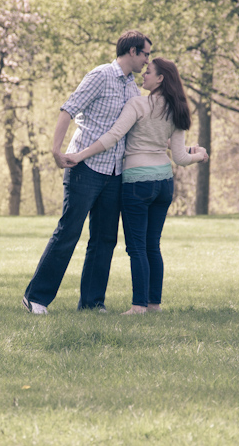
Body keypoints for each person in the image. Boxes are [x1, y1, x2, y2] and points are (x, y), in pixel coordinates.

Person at [62, 58, 208, 314]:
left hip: (137, 183)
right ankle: (154, 304)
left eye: (149, 73)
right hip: (163, 183)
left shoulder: (138, 104)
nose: (144, 76)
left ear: (160, 79)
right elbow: (181, 158)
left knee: (137, 246)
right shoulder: (177, 109)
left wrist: (80, 155)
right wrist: (200, 155)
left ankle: (138, 305)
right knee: (153, 245)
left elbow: (112, 136)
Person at [22, 30, 152, 315]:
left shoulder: (133, 89)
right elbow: (68, 110)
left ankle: (92, 303)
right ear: (132, 51)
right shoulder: (100, 75)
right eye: (145, 54)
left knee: (105, 238)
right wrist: (56, 151)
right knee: (69, 231)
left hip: (116, 173)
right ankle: (36, 298)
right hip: (85, 168)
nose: (147, 60)